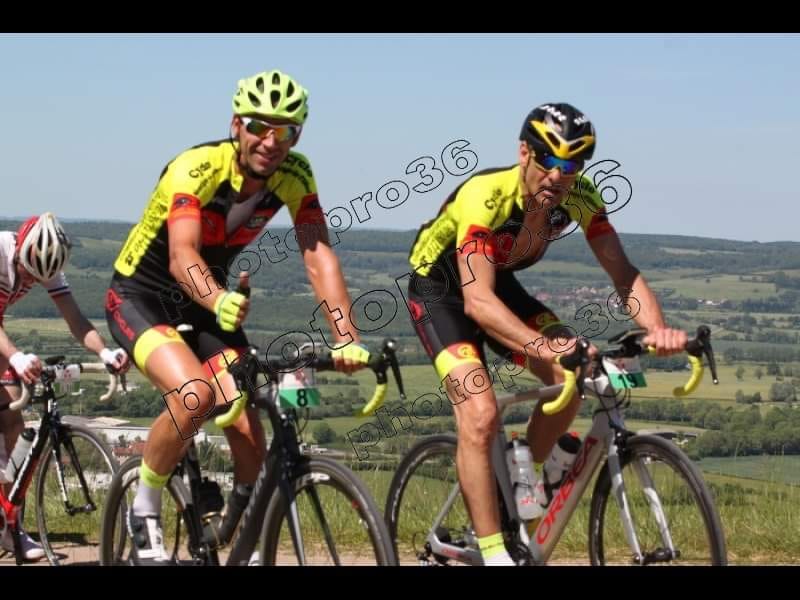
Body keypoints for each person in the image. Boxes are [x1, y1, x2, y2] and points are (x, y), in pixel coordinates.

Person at [106, 69, 370, 564]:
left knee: (250, 430)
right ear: (236, 124)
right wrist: (216, 298)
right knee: (194, 396)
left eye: (285, 130)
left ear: (298, 136)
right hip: (142, 295)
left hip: (210, 306)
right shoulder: (196, 167)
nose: (271, 140)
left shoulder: (296, 174)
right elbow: (182, 254)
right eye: (258, 125)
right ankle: (143, 506)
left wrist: (346, 335)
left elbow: (317, 255)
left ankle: (239, 539)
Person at [406, 103, 687, 565]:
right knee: (478, 415)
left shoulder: (580, 196)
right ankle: (493, 552)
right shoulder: (486, 195)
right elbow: (477, 302)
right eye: (550, 161)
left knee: (573, 372)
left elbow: (622, 271)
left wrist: (658, 330)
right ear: (524, 153)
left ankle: (522, 476)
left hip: (497, 283)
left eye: (573, 165)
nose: (560, 176)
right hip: (441, 291)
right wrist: (543, 345)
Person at [0, 212, 129, 561]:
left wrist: (104, 350)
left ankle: (12, 529)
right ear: (21, 252)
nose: (30, 279)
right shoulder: (0, 252)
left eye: (37, 277)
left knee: (14, 421)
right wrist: (15, 357)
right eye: (27, 272)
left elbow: (74, 319)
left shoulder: (47, 263)